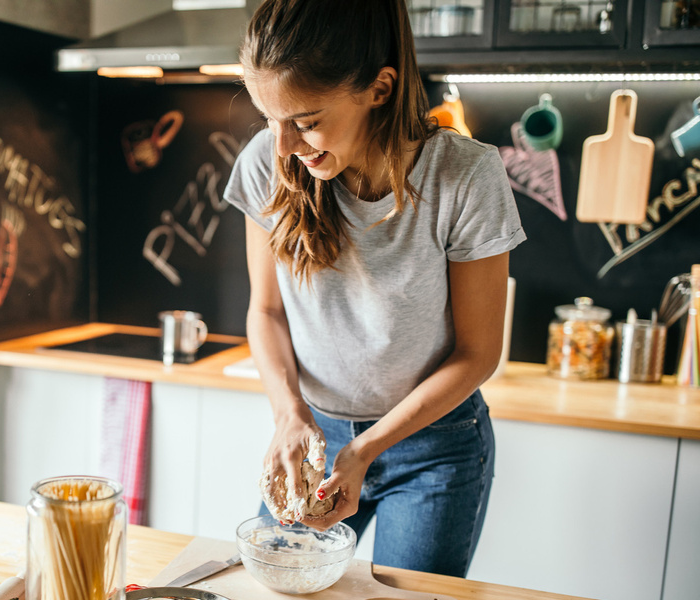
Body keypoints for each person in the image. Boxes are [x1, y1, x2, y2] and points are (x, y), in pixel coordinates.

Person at [223, 0, 526, 578]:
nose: (283, 144)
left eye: (306, 121)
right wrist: (289, 415)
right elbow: (265, 311)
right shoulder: (268, 162)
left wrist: (364, 451)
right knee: (276, 587)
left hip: (435, 447)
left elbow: (478, 354)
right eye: (269, 118)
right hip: (313, 432)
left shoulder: (463, 176)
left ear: (380, 88)